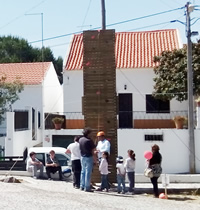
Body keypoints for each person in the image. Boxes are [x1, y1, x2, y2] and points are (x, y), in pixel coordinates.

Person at [79, 127, 96, 192]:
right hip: (89, 157)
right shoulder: (89, 140)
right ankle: (87, 187)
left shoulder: (80, 139)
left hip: (82, 157)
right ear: (88, 133)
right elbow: (93, 151)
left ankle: (82, 186)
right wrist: (95, 159)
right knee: (88, 172)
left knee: (83, 171)